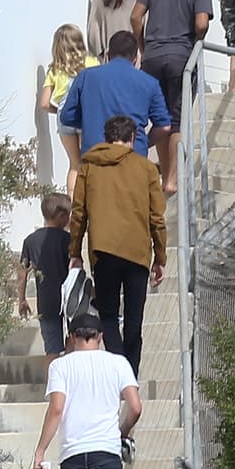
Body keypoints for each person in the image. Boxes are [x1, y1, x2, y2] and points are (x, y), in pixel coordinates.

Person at [32, 312, 142, 469]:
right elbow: (135, 407)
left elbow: (56, 409)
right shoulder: (118, 363)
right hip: (106, 455)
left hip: (73, 457)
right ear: (100, 337)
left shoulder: (60, 366)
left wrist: (40, 451)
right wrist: (121, 433)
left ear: (72, 337)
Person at [68, 115, 167, 379]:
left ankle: (117, 373)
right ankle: (129, 376)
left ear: (107, 137)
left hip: (103, 251)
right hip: (137, 253)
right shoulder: (146, 168)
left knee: (109, 317)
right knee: (134, 321)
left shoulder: (89, 165)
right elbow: (156, 217)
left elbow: (78, 213)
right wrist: (160, 256)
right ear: (133, 137)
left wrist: (75, 252)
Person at [131, 0, 214, 194]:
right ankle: (172, 181)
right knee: (177, 121)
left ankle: (164, 175)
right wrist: (196, 43)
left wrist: (143, 46)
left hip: (152, 58)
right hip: (181, 58)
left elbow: (135, 17)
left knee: (160, 118)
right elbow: (201, 24)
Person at [59, 30, 171, 157]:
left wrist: (90, 123)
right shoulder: (150, 83)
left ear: (108, 55)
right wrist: (143, 143)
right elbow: (164, 127)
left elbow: (66, 117)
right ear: (136, 59)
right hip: (133, 157)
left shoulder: (85, 76)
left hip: (95, 157)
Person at [40, 24, 98, 198]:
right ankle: (90, 199)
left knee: (74, 163)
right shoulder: (91, 63)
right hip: (85, 115)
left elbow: (44, 103)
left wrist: (60, 110)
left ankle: (71, 203)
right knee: (90, 160)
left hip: (64, 118)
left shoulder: (54, 70)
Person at [17, 193, 73, 361]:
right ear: (61, 216)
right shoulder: (68, 239)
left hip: (46, 302)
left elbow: (22, 272)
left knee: (52, 349)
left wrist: (22, 299)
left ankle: (53, 378)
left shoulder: (30, 241)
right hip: (69, 299)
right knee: (74, 341)